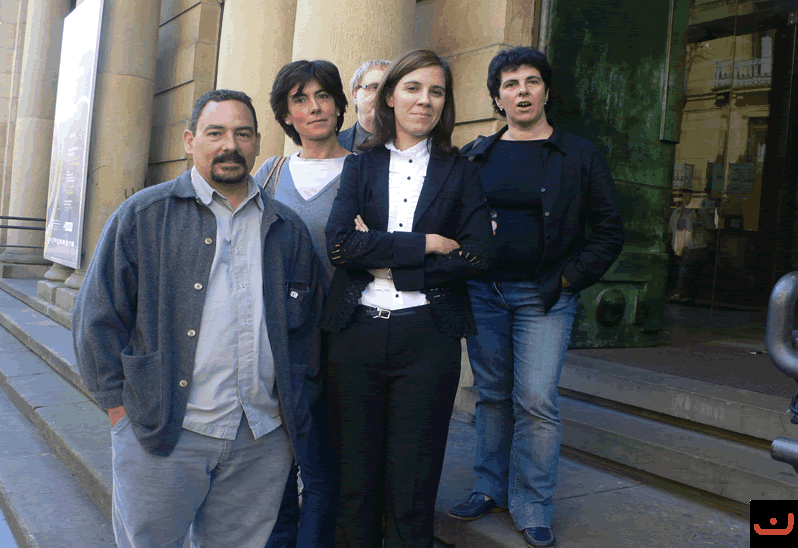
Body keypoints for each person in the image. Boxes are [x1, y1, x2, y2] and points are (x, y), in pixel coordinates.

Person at [72, 89, 324, 548]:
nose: (230, 145)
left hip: (260, 437)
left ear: (257, 142)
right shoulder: (145, 215)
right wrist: (120, 412)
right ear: (190, 141)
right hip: (165, 431)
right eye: (215, 133)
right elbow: (97, 316)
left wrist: (294, 412)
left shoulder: (287, 229)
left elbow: (307, 333)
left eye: (242, 134)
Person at [447, 47, 625, 547]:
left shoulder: (579, 155)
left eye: (531, 81)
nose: (521, 91)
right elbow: (453, 218)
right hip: (484, 293)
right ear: (497, 98)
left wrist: (569, 280)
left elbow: (609, 230)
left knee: (536, 401)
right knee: (492, 396)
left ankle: (531, 504)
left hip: (543, 297)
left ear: (546, 91)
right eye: (510, 84)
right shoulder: (476, 154)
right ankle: (489, 486)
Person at [321, 49, 494, 547]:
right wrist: (427, 243)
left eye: (436, 91)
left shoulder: (461, 171)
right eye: (413, 88)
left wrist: (382, 254)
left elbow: (478, 255)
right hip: (356, 333)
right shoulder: (360, 166)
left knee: (413, 485)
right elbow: (339, 246)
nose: (425, 100)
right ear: (391, 97)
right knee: (354, 480)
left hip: (428, 335)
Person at [254, 59, 351, 548]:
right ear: (286, 114)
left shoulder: (365, 171)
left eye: (323, 96)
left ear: (338, 105)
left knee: (323, 460)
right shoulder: (270, 174)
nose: (314, 107)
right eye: (300, 99)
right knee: (277, 461)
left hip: (346, 334)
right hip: (284, 337)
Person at [667, 187, 716, 303]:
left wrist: (699, 220)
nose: (684, 198)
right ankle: (687, 295)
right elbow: (670, 228)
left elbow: (711, 226)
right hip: (679, 245)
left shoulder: (700, 210)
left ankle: (679, 293)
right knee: (685, 269)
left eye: (687, 196)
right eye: (682, 196)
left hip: (694, 244)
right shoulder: (677, 211)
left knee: (685, 267)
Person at [337, 59, 391, 152]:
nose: (381, 96)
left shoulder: (413, 145)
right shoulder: (333, 144)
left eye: (389, 89)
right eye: (374, 87)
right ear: (355, 94)